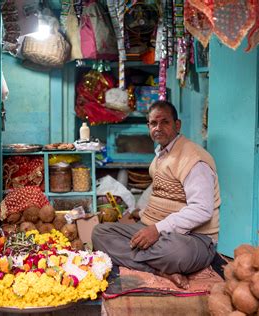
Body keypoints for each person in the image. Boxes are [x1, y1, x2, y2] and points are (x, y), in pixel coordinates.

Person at [92, 100, 221, 289]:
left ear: (177, 125)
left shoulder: (194, 159)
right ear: (148, 127)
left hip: (192, 239)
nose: (158, 128)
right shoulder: (161, 154)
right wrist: (141, 213)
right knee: (100, 233)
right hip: (155, 228)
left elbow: (202, 210)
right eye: (153, 123)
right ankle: (161, 270)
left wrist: (157, 230)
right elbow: (161, 192)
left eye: (165, 122)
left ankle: (156, 263)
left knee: (178, 252)